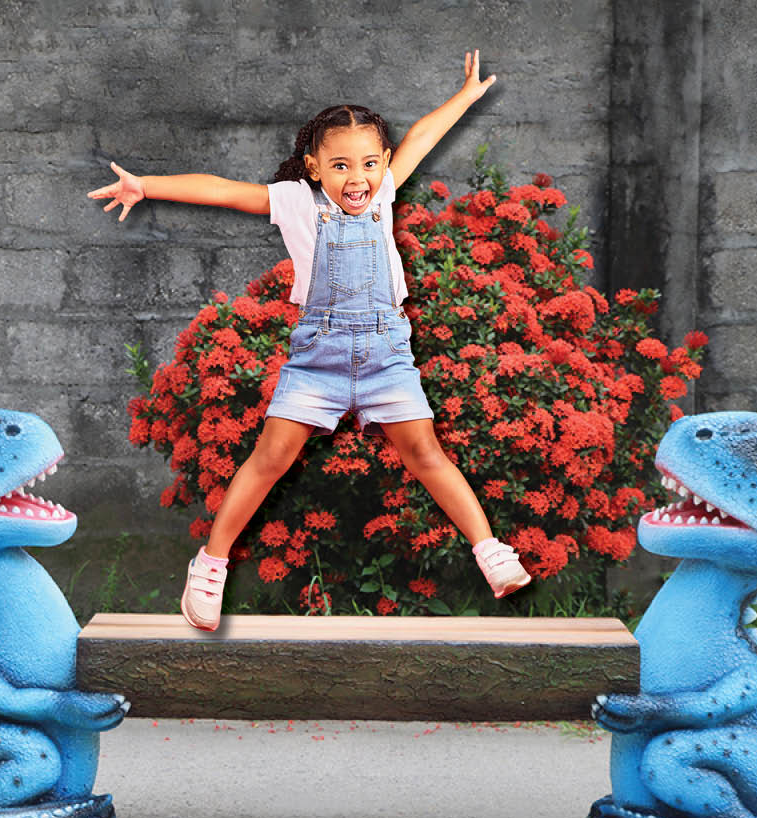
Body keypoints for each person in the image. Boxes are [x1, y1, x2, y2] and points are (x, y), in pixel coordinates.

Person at [89, 50, 530, 631]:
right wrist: (145, 186)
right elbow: (222, 189)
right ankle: (212, 563)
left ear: (384, 164)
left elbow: (423, 134)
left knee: (425, 453)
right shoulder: (296, 200)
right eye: (342, 166)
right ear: (314, 167)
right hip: (318, 356)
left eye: (370, 164)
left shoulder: (386, 191)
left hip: (385, 353)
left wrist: (466, 97)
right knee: (270, 458)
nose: (359, 178)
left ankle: (489, 551)